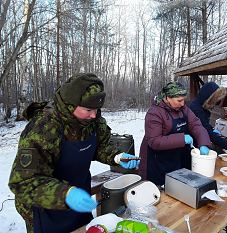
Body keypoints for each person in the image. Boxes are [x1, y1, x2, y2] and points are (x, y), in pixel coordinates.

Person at [8, 73, 140, 233]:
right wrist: (66, 194)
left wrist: (116, 156)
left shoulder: (93, 120)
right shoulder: (44, 128)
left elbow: (99, 147)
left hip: (79, 199)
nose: (94, 115)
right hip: (45, 208)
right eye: (88, 109)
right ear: (70, 105)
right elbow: (23, 182)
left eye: (97, 109)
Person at [139, 81, 212, 185]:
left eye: (183, 100)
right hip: (158, 160)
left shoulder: (184, 109)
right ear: (168, 98)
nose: (183, 103)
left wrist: (203, 143)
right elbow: (154, 141)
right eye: (179, 100)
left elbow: (196, 125)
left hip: (175, 157)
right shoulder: (154, 113)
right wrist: (181, 139)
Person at [189, 82, 227, 155]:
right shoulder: (196, 109)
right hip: (194, 143)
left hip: (199, 140)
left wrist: (212, 129)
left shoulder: (203, 106)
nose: (215, 103)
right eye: (214, 100)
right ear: (208, 98)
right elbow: (205, 130)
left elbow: (205, 125)